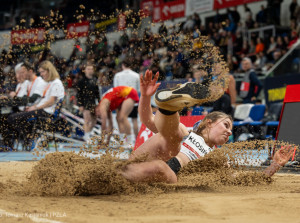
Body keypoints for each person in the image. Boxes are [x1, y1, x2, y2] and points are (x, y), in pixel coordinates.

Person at [120, 70, 295, 184]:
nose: (228, 131)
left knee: (161, 166)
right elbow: (149, 121)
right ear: (208, 122)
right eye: (226, 125)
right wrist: (144, 97)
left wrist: (275, 165)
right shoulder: (187, 133)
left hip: (168, 175)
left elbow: (240, 182)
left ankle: (115, 178)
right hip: (145, 160)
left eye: (230, 129)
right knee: (171, 134)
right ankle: (169, 107)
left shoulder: (217, 158)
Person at [4, 60, 65, 149]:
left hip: (47, 112)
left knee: (13, 118)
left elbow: (50, 102)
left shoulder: (56, 83)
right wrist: (33, 107)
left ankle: (31, 137)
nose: (42, 74)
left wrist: (35, 107)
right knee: (14, 117)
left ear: (49, 70)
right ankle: (30, 137)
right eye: (40, 72)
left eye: (43, 72)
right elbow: (45, 100)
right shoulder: (50, 82)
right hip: (42, 110)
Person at [113, 58, 140, 144]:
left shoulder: (118, 75)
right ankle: (136, 140)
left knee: (121, 118)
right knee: (134, 119)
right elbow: (138, 89)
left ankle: (125, 139)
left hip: (122, 98)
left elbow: (115, 89)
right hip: (133, 99)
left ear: (122, 65)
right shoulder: (136, 75)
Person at [76, 61, 100, 142]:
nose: (90, 70)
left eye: (91, 69)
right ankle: (86, 136)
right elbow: (78, 94)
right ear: (85, 70)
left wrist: (100, 103)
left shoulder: (95, 80)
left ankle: (88, 134)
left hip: (93, 102)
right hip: (85, 102)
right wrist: (80, 104)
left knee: (94, 121)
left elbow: (97, 93)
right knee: (87, 120)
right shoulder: (81, 81)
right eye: (88, 69)